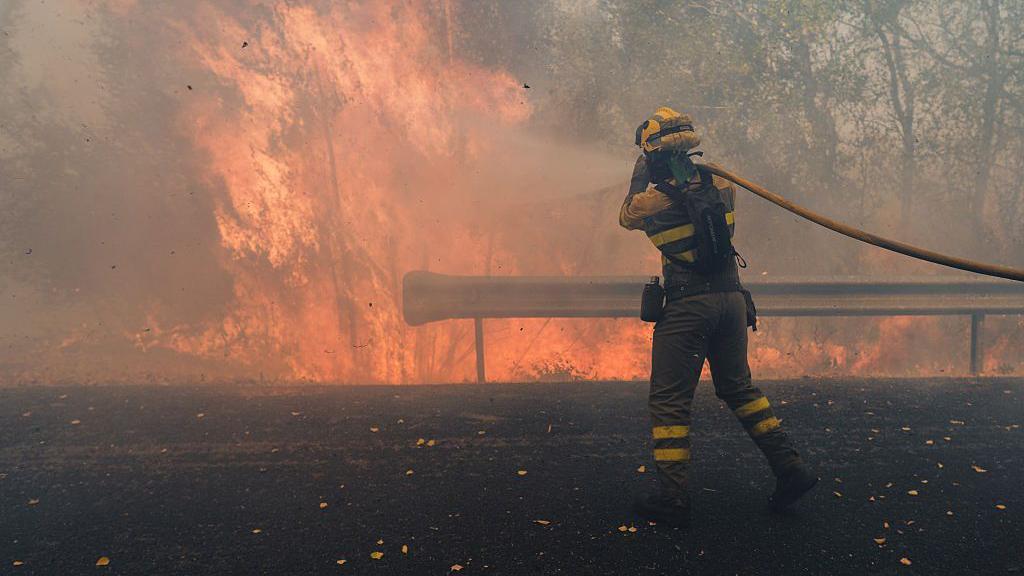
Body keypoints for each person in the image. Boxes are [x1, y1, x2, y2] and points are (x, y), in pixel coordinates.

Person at [620, 106, 817, 527]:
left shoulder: (655, 198)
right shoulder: (722, 183)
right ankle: (791, 467)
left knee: (670, 401)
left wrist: (639, 176)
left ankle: (673, 498)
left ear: (654, 155)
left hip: (688, 307)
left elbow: (626, 216)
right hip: (731, 300)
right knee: (739, 388)